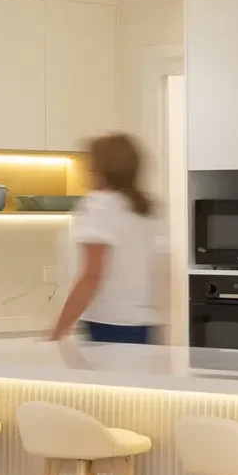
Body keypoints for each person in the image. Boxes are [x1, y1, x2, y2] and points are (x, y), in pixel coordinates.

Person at [50, 133, 163, 343]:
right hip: (144, 323)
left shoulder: (99, 206)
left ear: (99, 168)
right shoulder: (144, 209)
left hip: (109, 324)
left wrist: (58, 331)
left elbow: (92, 275)